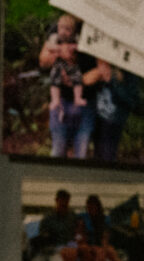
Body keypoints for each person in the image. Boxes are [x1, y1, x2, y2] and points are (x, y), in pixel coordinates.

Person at [40, 14, 97, 158]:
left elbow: (104, 68)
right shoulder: (58, 26)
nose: (64, 31)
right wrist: (60, 51)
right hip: (62, 100)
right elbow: (43, 61)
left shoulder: (96, 28)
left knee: (81, 152)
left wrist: (79, 79)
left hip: (86, 100)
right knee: (58, 150)